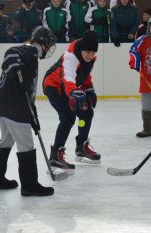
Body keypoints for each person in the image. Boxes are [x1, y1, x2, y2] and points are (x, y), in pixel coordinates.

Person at [0, 26, 57, 196]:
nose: (48, 49)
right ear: (43, 42)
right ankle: (30, 185)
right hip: (14, 105)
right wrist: (14, 68)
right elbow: (11, 53)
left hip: (3, 103)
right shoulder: (30, 50)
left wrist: (32, 114)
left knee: (6, 141)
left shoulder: (31, 55)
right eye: (48, 44)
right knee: (26, 144)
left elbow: (27, 89)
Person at [43, 30, 101, 171]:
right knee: (68, 117)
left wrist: (89, 88)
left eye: (93, 53)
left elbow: (84, 74)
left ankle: (82, 147)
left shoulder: (90, 58)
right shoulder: (70, 56)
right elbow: (68, 77)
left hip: (69, 88)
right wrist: (74, 92)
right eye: (87, 52)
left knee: (86, 114)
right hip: (53, 86)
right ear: (82, 49)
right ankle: (56, 155)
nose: (90, 55)